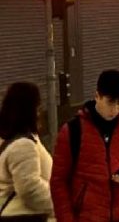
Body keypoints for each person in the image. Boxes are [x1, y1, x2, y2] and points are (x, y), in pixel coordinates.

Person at [50, 70, 119, 222]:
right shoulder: (73, 130)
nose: (115, 109)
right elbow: (58, 181)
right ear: (97, 96)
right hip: (87, 217)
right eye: (110, 102)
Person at [0, 82, 53, 220]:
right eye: (37, 105)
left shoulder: (11, 139)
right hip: (24, 216)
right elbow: (30, 189)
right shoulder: (22, 145)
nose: (39, 111)